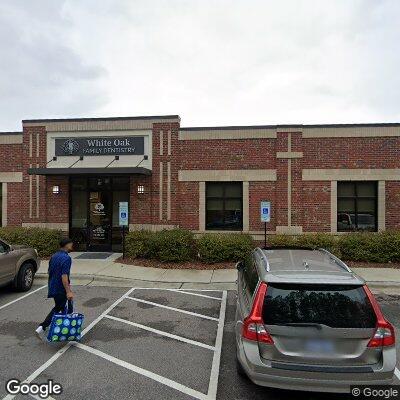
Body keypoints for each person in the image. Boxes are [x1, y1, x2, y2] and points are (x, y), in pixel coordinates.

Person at [35, 238, 74, 336]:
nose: (72, 246)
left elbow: (49, 271)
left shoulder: (54, 256)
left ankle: (62, 327)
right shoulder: (66, 258)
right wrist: (68, 291)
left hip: (52, 285)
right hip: (61, 288)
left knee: (61, 306)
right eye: (71, 244)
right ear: (66, 245)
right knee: (58, 307)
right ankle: (42, 327)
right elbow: (64, 276)